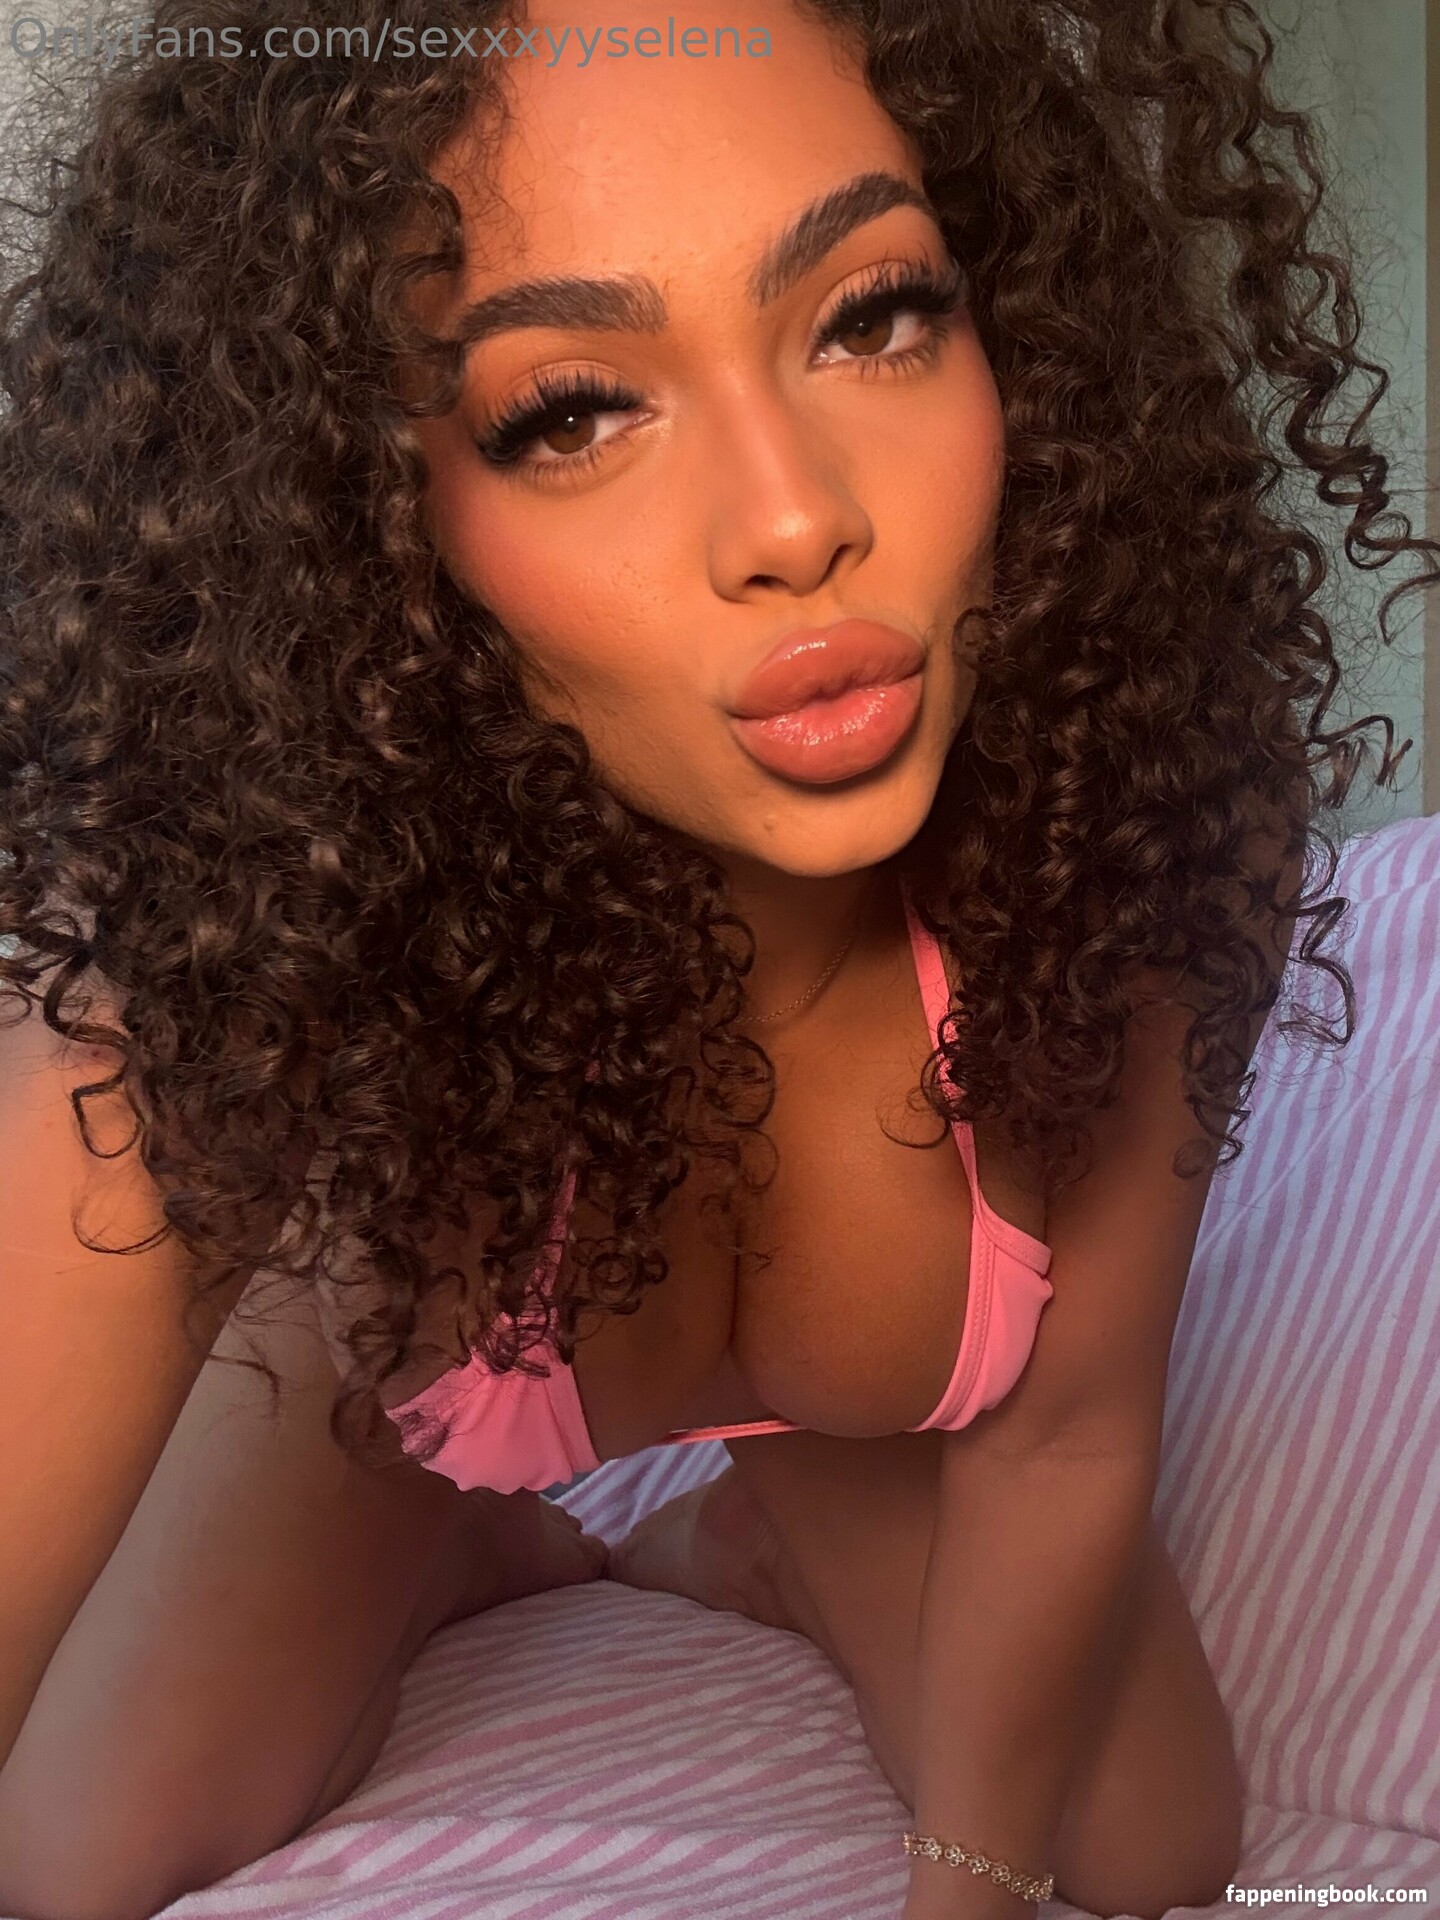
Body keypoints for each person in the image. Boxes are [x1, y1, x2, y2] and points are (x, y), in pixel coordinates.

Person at [0, 1, 1432, 1916]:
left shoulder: (1143, 818)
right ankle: (472, 1543)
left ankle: (749, 1531)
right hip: (400, 1391)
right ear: (355, 518)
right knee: (68, 1860)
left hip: (852, 1406)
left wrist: (961, 1892)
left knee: (1149, 1846)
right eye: (571, 413)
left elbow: (1067, 1436)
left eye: (874, 315)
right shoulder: (221, 946)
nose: (796, 518)